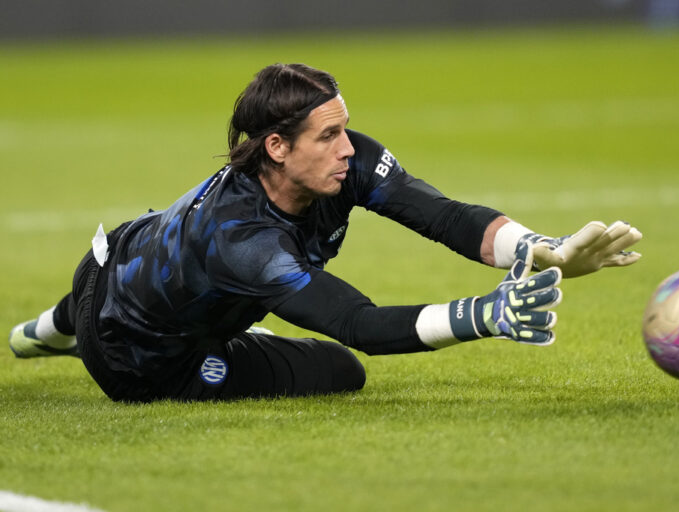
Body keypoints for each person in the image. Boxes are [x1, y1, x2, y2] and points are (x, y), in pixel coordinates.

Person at [8, 63, 642, 402]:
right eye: (329, 135)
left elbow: (446, 217)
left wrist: (542, 248)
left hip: (113, 255)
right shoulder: (243, 241)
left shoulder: (346, 163)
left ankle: (43, 331)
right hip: (141, 363)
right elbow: (358, 325)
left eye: (345, 128)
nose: (348, 148)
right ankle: (70, 334)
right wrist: (484, 315)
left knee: (121, 290)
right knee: (340, 370)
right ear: (277, 147)